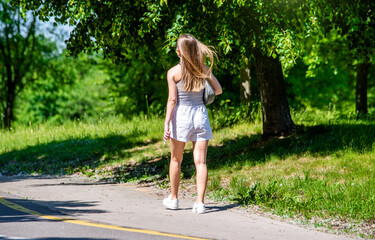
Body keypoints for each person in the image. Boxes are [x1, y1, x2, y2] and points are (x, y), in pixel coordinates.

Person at [163, 34, 222, 214]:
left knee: (176, 159)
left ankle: (174, 199)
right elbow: (218, 90)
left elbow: (172, 100)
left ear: (179, 52)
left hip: (181, 116)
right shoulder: (202, 68)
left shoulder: (173, 72)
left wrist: (166, 123)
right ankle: (200, 203)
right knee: (201, 162)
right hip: (200, 115)